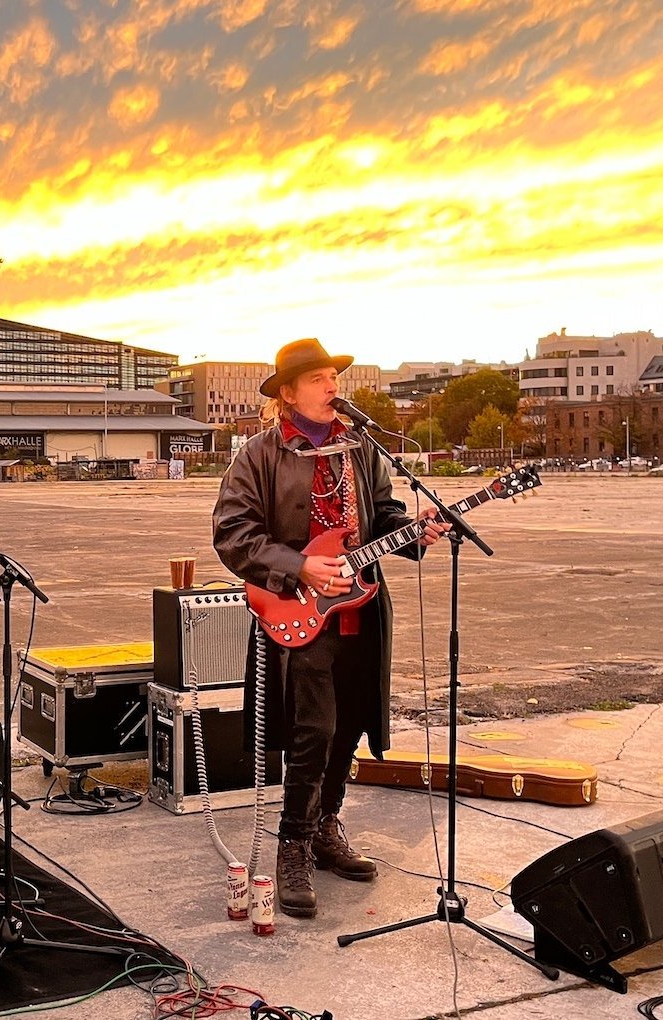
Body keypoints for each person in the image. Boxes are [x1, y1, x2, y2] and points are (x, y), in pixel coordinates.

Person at [213, 338, 449, 920]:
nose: (331, 386)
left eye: (332, 377)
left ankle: (325, 827)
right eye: (317, 379)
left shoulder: (360, 447)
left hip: (361, 608)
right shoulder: (259, 455)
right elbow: (232, 532)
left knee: (350, 721)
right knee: (312, 728)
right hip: (298, 608)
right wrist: (299, 565)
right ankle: (291, 845)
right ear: (288, 393)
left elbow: (383, 515)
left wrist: (413, 531)